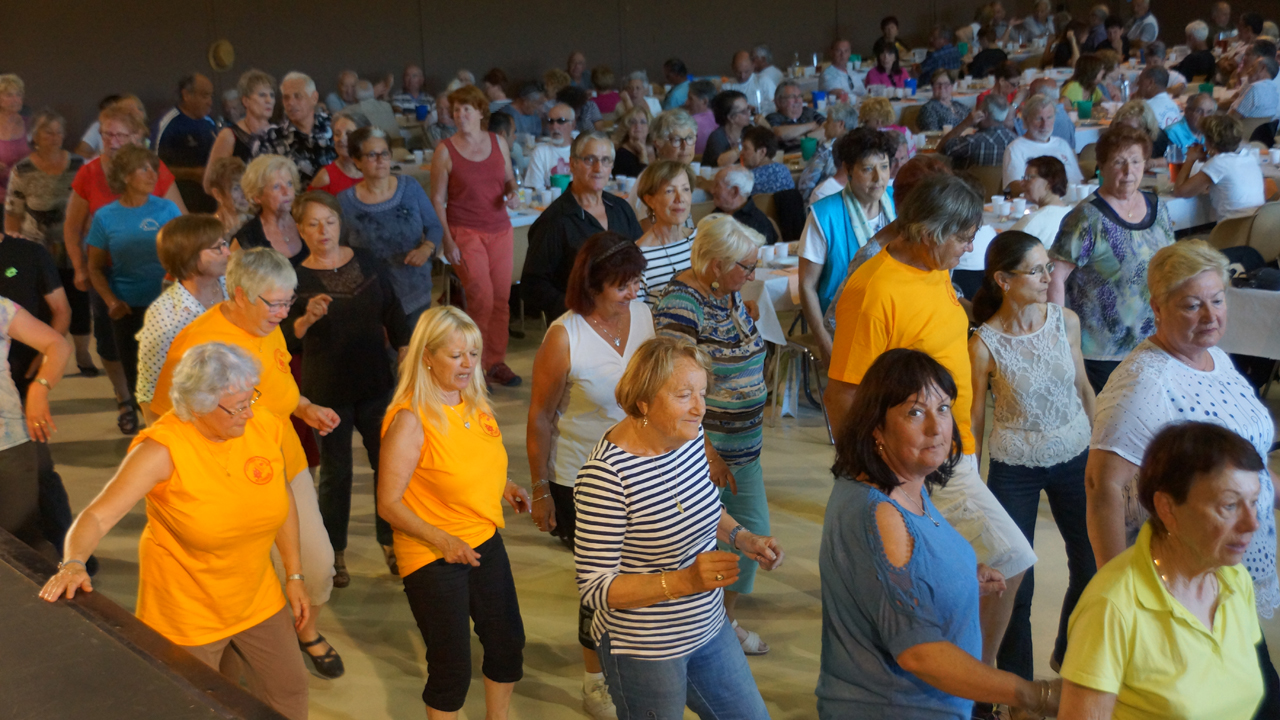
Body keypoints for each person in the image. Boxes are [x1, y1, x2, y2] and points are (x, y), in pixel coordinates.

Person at [824, 175, 1039, 670]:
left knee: (963, 572)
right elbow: (845, 391)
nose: (969, 249)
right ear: (927, 233)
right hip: (912, 460)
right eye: (963, 238)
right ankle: (974, 682)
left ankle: (961, 675)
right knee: (1011, 557)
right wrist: (875, 476)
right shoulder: (874, 290)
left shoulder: (931, 265)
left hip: (951, 445)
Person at [39, 343, 309, 720]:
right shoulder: (162, 450)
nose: (249, 412)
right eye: (237, 406)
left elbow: (280, 496)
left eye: (252, 398)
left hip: (257, 597)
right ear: (198, 405)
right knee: (201, 706)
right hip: (188, 614)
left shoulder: (262, 424)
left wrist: (294, 573)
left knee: (290, 694)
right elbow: (98, 516)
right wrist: (72, 562)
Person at [818, 348, 1060, 719]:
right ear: (876, 427)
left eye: (943, 408)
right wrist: (1035, 694)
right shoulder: (879, 513)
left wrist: (961, 575)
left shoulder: (905, 482)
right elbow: (919, 652)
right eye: (915, 412)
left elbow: (902, 572)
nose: (936, 427)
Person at [149, 247, 344, 679]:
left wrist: (304, 407)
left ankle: (304, 630)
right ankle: (249, 650)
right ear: (239, 294)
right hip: (229, 476)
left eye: (288, 302)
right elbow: (161, 412)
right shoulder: (197, 346)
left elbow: (276, 382)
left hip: (283, 461)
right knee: (249, 571)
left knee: (314, 565)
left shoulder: (265, 322)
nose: (282, 312)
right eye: (274, 303)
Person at [574, 335, 783, 720]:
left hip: (708, 625)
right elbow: (596, 589)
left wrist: (743, 537)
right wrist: (685, 581)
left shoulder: (686, 439)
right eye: (684, 395)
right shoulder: (606, 478)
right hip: (645, 647)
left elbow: (704, 507)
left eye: (702, 393)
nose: (700, 409)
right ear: (644, 401)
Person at [378, 306, 529, 718]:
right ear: (427, 356)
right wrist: (443, 540)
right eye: (456, 355)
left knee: (506, 643)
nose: (468, 364)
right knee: (451, 668)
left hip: (481, 538)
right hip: (432, 552)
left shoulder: (474, 401)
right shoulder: (411, 419)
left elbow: (473, 464)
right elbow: (388, 503)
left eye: (474, 354)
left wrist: (506, 487)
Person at [1061, 422, 1268, 719]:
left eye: (1254, 502)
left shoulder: (1235, 581)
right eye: (1230, 505)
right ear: (1167, 508)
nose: (1252, 523)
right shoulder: (1113, 606)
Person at [526, 232, 651, 718]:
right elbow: (539, 417)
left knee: (642, 570)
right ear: (593, 284)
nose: (633, 292)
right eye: (622, 284)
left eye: (636, 281)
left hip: (641, 467)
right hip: (583, 478)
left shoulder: (643, 315)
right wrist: (540, 491)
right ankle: (594, 679)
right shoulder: (565, 335)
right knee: (599, 582)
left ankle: (638, 658)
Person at [969, 232, 1097, 682]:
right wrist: (973, 479)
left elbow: (1083, 387)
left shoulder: (1066, 322)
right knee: (1014, 582)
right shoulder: (984, 342)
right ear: (1003, 280)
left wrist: (1101, 452)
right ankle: (1015, 688)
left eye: (1048, 268)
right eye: (1037, 270)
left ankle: (1073, 659)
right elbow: (975, 418)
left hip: (1075, 453)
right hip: (1014, 465)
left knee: (1091, 564)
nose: (1048, 277)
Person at [654, 214, 774, 653]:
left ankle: (722, 622)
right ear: (714, 265)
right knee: (698, 545)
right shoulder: (681, 305)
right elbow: (674, 390)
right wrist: (705, 450)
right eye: (745, 266)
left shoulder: (728, 294)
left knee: (750, 539)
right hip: (701, 456)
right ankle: (698, 631)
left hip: (745, 451)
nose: (752, 275)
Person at [286, 191, 410, 590]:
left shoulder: (366, 261)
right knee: (336, 475)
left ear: (340, 223)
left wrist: (406, 350)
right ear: (300, 228)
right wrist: (305, 318)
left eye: (330, 222)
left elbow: (394, 309)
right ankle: (333, 552)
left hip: (375, 383)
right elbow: (285, 338)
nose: (323, 231)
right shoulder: (293, 276)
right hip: (328, 391)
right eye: (313, 223)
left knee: (387, 466)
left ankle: (391, 542)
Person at [64, 104, 185, 434]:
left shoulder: (166, 205)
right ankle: (135, 413)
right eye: (108, 134)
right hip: (122, 299)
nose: (151, 176)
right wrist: (101, 291)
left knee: (170, 368)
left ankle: (173, 426)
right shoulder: (102, 206)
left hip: (164, 302)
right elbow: (88, 253)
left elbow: (185, 242)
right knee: (128, 365)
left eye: (120, 134)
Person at [1049, 126, 1175, 392]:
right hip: (1101, 351)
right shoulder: (1086, 217)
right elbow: (1055, 276)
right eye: (1119, 162)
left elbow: (1171, 265)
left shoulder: (1157, 207)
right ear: (1101, 166)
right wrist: (1058, 336)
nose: (1129, 171)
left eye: (1136, 161)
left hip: (1155, 342)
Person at [429, 84, 522, 387]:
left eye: (466, 109)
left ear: (481, 112)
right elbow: (437, 200)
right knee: (481, 298)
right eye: (456, 110)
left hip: (500, 229)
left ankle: (496, 361)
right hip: (465, 231)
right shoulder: (445, 150)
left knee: (502, 300)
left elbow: (509, 179)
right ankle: (474, 367)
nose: (460, 114)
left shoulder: (498, 142)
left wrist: (513, 193)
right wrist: (447, 240)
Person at [85, 145, 183, 406]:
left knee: (174, 376)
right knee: (138, 380)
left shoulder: (168, 209)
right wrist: (111, 301)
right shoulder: (105, 217)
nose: (153, 175)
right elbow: (93, 267)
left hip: (168, 308)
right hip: (128, 309)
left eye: (154, 168)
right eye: (144, 169)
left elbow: (185, 256)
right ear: (126, 176)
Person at [4, 110, 95, 375]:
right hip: (36, 249)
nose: (54, 138)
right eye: (48, 132)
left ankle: (82, 353)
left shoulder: (80, 165)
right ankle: (43, 354)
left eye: (58, 132)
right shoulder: (23, 169)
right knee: (42, 305)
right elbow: (12, 212)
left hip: (74, 246)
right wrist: (13, 248)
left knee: (78, 301)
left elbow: (90, 206)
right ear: (35, 137)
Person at [798, 128, 897, 364]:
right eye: (867, 169)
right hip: (845, 325)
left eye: (884, 167)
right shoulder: (825, 215)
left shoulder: (900, 200)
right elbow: (806, 285)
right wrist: (824, 341)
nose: (879, 178)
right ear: (848, 170)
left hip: (896, 315)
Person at [523, 133, 643, 321]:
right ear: (572, 164)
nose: (598, 168)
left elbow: (639, 259)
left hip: (624, 315)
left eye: (605, 160)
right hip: (578, 323)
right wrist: (579, 309)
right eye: (590, 160)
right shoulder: (554, 220)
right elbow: (533, 284)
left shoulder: (621, 209)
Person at [339, 127, 442, 328]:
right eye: (371, 155)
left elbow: (435, 226)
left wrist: (426, 248)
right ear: (357, 161)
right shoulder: (345, 202)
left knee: (412, 354)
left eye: (384, 153)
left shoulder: (410, 187)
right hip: (371, 295)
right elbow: (341, 249)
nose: (380, 160)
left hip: (414, 290)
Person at [136, 215, 229, 423]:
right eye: (217, 248)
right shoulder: (166, 316)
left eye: (225, 244)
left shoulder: (233, 288)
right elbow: (149, 388)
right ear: (190, 257)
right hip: (194, 420)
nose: (228, 252)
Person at [1172, 113, 1266, 219]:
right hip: (1256, 228)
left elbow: (1179, 192)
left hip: (1230, 231)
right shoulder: (1249, 157)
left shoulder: (1218, 163)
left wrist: (1190, 159)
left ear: (1211, 142)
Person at [204, 69, 277, 193]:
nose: (269, 100)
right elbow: (209, 184)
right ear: (246, 101)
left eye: (272, 95)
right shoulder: (229, 136)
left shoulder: (279, 133)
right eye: (262, 95)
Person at [634, 161, 695, 305]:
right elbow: (636, 316)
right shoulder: (639, 256)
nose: (680, 199)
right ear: (650, 200)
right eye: (670, 191)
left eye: (685, 189)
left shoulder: (703, 239)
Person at [155, 73, 218, 213]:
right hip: (180, 203)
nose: (210, 102)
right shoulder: (170, 124)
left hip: (210, 202)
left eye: (211, 96)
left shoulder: (209, 123)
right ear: (186, 95)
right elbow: (155, 168)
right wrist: (192, 173)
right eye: (204, 96)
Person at [232, 155, 308, 266]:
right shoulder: (247, 239)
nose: (286, 192)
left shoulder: (306, 219)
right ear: (257, 196)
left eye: (289, 183)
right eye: (276, 187)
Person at [1002, 94, 1084, 194]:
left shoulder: (1062, 144)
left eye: (1049, 117)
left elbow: (1078, 181)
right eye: (1038, 119)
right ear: (1026, 119)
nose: (1045, 125)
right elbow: (1016, 188)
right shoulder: (1015, 149)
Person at [267, 72, 335, 187]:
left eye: (298, 96)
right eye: (286, 98)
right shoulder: (273, 138)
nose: (291, 103)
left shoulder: (333, 126)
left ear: (314, 98)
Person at [797, 103, 858, 203]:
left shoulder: (826, 150)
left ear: (841, 124)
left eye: (828, 121)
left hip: (824, 202)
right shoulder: (861, 145)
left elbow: (805, 186)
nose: (824, 125)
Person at [941, 94, 1018, 170]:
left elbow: (942, 149)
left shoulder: (972, 142)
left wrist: (966, 123)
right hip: (1003, 182)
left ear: (984, 114)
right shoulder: (1015, 141)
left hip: (970, 182)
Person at [1009, 156, 1072, 247]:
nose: (1022, 183)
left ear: (1049, 182)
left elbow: (1002, 252)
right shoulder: (1071, 213)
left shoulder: (1031, 223)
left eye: (1028, 178)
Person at [709, 166, 778, 245]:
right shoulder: (715, 215)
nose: (712, 191)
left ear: (734, 191)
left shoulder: (758, 224)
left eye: (717, 186)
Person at [308, 109, 368, 196]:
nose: (341, 139)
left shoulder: (371, 169)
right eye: (337, 134)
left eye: (349, 134)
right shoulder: (325, 178)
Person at [525, 103, 575, 190]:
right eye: (550, 121)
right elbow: (535, 188)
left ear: (573, 124)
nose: (555, 126)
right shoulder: (540, 151)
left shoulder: (584, 149)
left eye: (561, 121)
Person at [766, 80, 826, 153]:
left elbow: (827, 127)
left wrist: (803, 137)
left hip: (817, 157)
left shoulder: (809, 112)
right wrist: (810, 126)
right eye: (792, 97)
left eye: (799, 96)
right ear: (778, 102)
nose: (797, 100)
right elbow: (779, 134)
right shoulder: (773, 117)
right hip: (790, 159)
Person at [1112, 100, 1171, 167]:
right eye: (1121, 129)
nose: (1125, 133)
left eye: (1131, 130)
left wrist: (1153, 163)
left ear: (1146, 130)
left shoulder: (1159, 139)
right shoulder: (1112, 143)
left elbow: (1173, 160)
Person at [738, 126, 794, 195]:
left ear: (762, 152)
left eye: (746, 148)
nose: (741, 153)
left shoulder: (747, 180)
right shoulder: (784, 171)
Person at [1163, 93, 1217, 166]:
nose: (1204, 116)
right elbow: (1169, 163)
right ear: (1187, 111)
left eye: (1209, 112)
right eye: (1199, 111)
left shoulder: (1213, 132)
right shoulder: (1172, 133)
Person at [0, 75, 30, 199]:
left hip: (25, 192)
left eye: (18, 95)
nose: (16, 99)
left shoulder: (31, 124)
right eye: (9, 95)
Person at [722, 50, 777, 116]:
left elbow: (775, 106)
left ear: (753, 66)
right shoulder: (727, 87)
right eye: (738, 72)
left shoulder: (763, 81)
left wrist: (755, 109)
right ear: (732, 68)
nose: (743, 76)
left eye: (746, 72)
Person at [207, 156, 250, 235]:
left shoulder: (256, 224)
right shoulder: (208, 232)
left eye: (246, 185)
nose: (245, 194)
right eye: (236, 188)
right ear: (217, 194)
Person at [1229, 56, 1280, 121]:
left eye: (1252, 67)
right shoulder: (1274, 91)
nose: (1248, 71)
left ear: (1262, 68)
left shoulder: (1255, 88)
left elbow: (1233, 117)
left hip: (1237, 129)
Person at [609, 104, 650, 178]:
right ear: (627, 127)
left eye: (643, 122)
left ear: (649, 128)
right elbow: (643, 182)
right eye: (633, 122)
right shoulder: (621, 155)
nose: (638, 126)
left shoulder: (655, 148)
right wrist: (643, 157)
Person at [685, 81, 718, 155]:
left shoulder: (690, 123)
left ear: (704, 101)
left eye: (691, 99)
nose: (686, 102)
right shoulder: (720, 119)